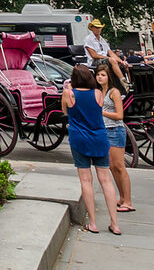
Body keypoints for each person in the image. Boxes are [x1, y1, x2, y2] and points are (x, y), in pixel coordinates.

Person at [62, 64, 122, 235]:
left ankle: (93, 223)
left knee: (86, 181)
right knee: (106, 180)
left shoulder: (69, 94)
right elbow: (98, 110)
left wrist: (69, 90)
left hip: (79, 139)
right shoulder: (97, 94)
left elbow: (65, 111)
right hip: (99, 138)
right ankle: (114, 223)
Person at [95, 63, 134, 213]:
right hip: (105, 130)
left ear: (108, 77)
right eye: (98, 74)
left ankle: (128, 201)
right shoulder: (100, 92)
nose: (100, 77)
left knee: (119, 166)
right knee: (112, 166)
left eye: (103, 75)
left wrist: (102, 112)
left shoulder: (114, 92)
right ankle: (122, 198)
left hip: (115, 130)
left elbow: (119, 115)